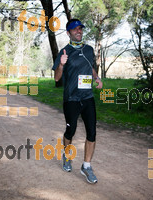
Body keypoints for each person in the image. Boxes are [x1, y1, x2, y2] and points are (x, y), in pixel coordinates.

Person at [52, 19, 103, 184]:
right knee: (70, 131)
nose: (79, 31)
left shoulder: (88, 50)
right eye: (75, 29)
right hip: (71, 98)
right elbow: (57, 78)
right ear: (68, 33)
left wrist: (96, 78)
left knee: (92, 132)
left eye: (80, 28)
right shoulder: (64, 52)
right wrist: (61, 65)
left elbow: (90, 66)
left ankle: (86, 166)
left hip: (87, 97)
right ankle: (66, 156)